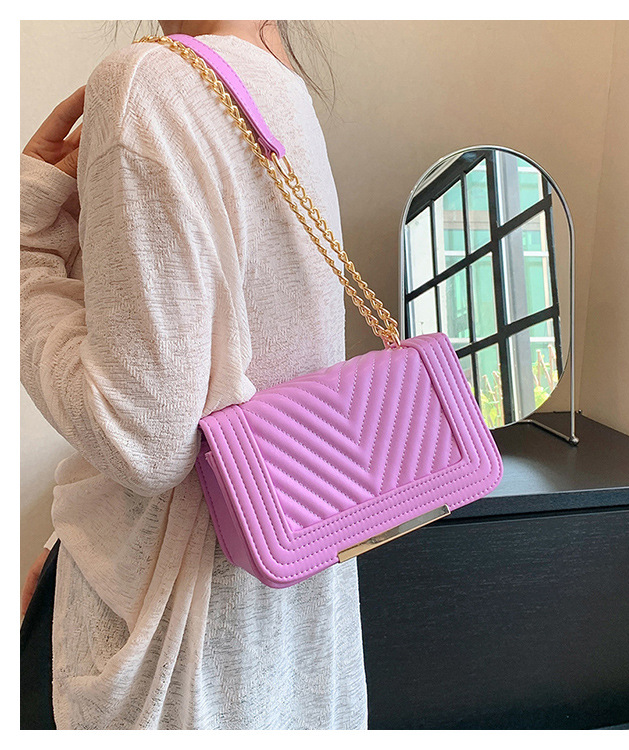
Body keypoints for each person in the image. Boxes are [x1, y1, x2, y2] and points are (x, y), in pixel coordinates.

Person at [20, 20, 368, 730]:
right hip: (285, 619)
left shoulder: (149, 82)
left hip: (173, 644)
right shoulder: (281, 91)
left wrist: (23, 246)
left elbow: (143, 438)